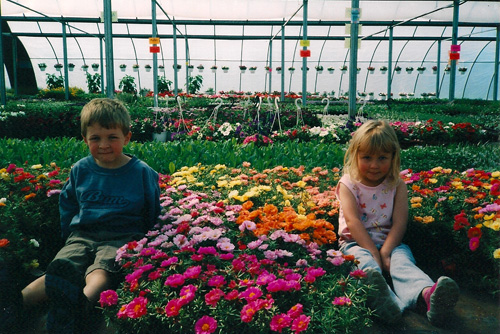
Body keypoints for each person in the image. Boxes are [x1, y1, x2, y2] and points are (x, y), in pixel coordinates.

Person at [0, 98, 161, 334]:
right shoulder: (80, 169)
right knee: (61, 267)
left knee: (101, 270)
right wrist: (69, 237)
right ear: (85, 139)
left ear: (127, 137)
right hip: (82, 235)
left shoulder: (141, 172)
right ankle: (14, 305)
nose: (103, 144)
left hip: (121, 237)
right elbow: (68, 205)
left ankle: (78, 304)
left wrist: (142, 239)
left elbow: (151, 208)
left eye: (112, 137)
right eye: (95, 138)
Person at [336, 120, 459, 326]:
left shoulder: (397, 185)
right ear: (355, 155)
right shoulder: (348, 183)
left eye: (382, 158)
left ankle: (428, 297)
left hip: (392, 243)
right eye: (367, 157)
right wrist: (374, 253)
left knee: (403, 265)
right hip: (355, 243)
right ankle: (386, 303)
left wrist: (385, 251)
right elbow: (353, 221)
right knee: (365, 266)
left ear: (393, 157)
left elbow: (400, 223)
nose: (374, 165)